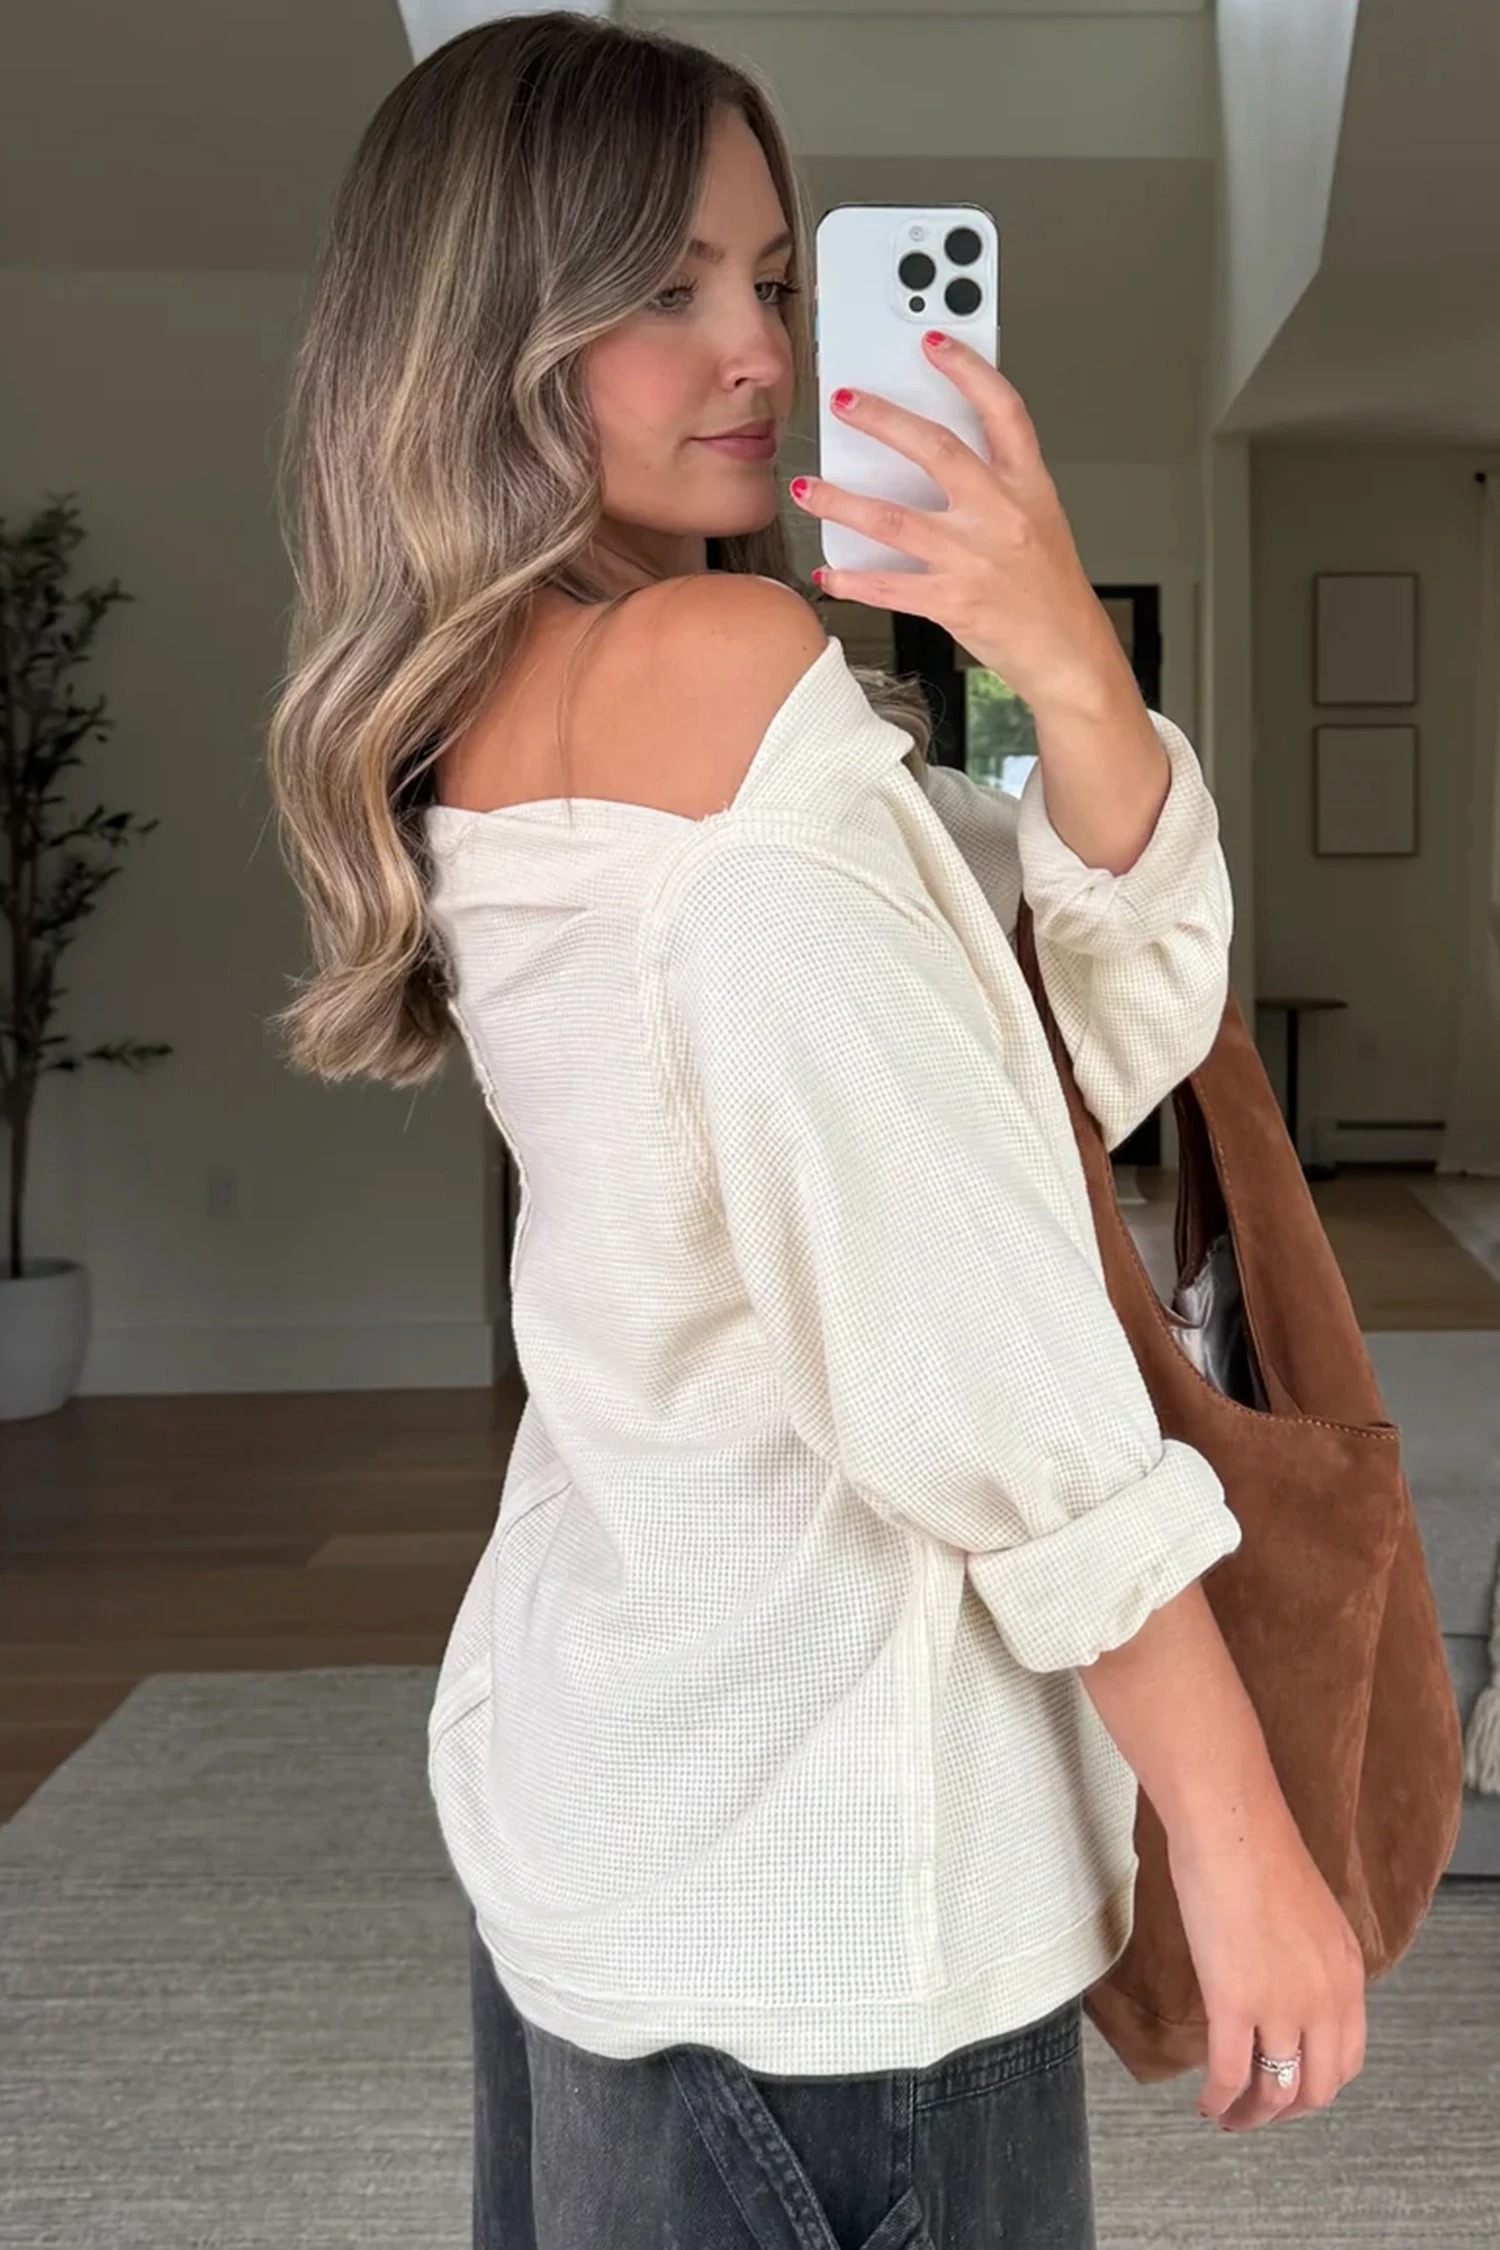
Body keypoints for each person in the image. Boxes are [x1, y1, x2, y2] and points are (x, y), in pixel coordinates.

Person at [265, 13, 1367, 2247]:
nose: (756, 347)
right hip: (833, 1877)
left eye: (772, 278)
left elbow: (1085, 1027)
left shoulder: (501, 710)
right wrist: (1235, 1821)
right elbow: (974, 1341)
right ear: (492, 327)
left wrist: (1062, 667)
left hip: (619, 1804)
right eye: (664, 287)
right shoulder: (708, 669)